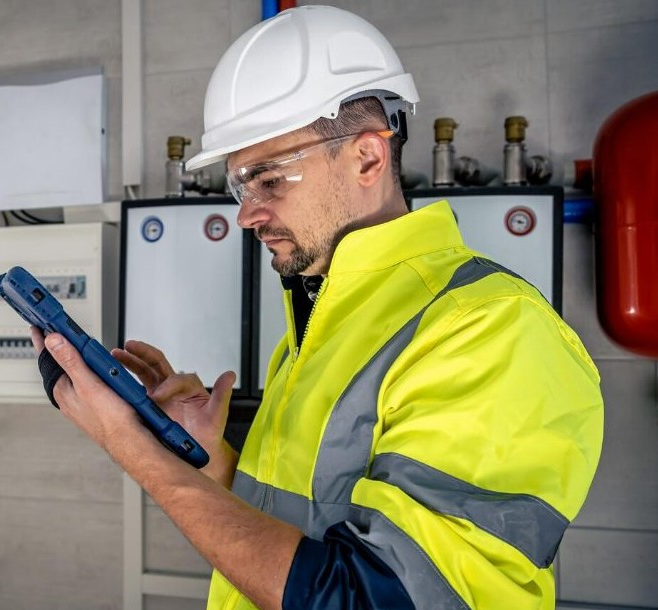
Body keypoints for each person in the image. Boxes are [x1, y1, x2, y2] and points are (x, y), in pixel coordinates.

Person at [32, 6, 604, 609]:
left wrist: (142, 456)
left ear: (367, 158)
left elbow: (370, 597)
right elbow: (303, 523)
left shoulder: (489, 329)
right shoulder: (320, 324)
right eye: (240, 186)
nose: (246, 214)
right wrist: (204, 461)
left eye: (271, 179)